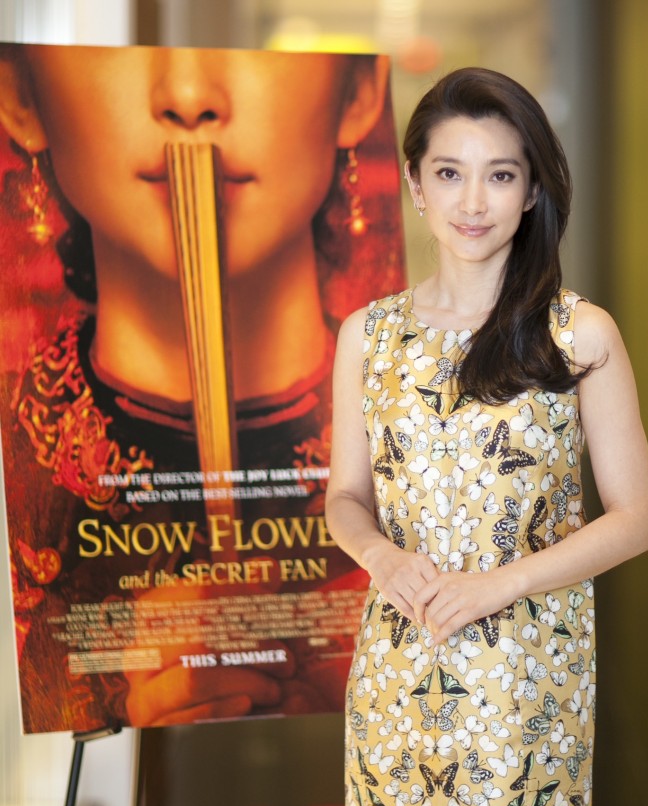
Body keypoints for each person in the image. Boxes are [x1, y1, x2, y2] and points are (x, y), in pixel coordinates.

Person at [0, 44, 402, 732]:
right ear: (20, 97)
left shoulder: (431, 424)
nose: (187, 95)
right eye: (123, 47)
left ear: (360, 89)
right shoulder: (19, 457)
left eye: (255, 42)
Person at [325, 68, 648, 806]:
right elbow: (344, 497)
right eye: (449, 172)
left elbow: (635, 518)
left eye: (500, 174)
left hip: (521, 683)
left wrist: (497, 586)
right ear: (414, 184)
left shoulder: (578, 333)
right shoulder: (368, 335)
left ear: (533, 189)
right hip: (399, 677)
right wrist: (382, 558)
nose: (474, 201)